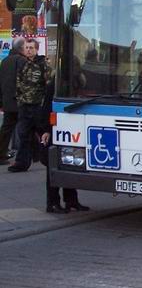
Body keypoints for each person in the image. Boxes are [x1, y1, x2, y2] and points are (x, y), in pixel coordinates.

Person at [41, 81, 88, 213]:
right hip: (57, 129)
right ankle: (53, 202)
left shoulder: (72, 82)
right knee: (54, 166)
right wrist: (46, 129)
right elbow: (46, 107)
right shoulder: (55, 84)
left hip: (69, 127)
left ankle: (71, 200)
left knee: (69, 163)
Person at [8, 39, 50, 172]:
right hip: (25, 105)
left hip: (38, 105)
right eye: (26, 48)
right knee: (23, 134)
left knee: (43, 133)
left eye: (31, 48)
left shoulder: (43, 64)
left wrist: (44, 104)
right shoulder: (23, 64)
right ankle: (21, 163)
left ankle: (48, 159)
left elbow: (48, 85)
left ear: (36, 49)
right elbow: (19, 83)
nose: (29, 50)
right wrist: (20, 100)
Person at [0, 38, 25, 163]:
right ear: (21, 48)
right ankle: (33, 153)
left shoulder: (4, 61)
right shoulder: (21, 60)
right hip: (19, 100)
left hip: (7, 100)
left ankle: (1, 153)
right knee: (29, 126)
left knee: (6, 128)